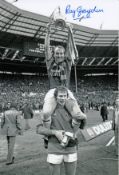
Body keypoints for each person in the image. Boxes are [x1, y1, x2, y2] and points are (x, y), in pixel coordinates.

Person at [37, 86, 80, 175]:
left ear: (67, 97)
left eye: (64, 96)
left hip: (70, 147)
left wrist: (80, 119)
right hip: (54, 148)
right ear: (56, 97)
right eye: (60, 96)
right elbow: (39, 129)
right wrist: (55, 132)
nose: (62, 98)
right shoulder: (48, 110)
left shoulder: (72, 110)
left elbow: (81, 126)